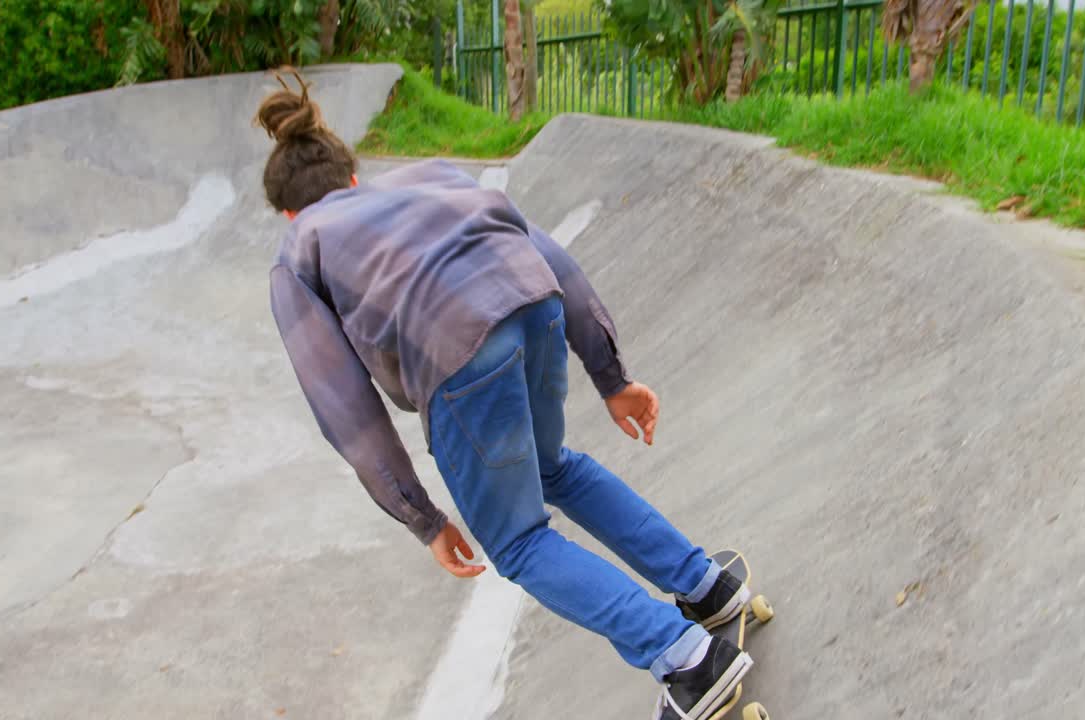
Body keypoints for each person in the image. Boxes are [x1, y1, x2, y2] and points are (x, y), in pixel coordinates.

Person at [256, 68, 752, 720]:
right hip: (536, 306)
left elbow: (343, 405)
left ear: (288, 212)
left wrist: (420, 517)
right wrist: (612, 376)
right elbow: (551, 257)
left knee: (517, 543)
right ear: (353, 178)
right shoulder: (434, 176)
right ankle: (705, 586)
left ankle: (687, 657)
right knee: (555, 467)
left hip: (458, 360)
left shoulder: (300, 250)